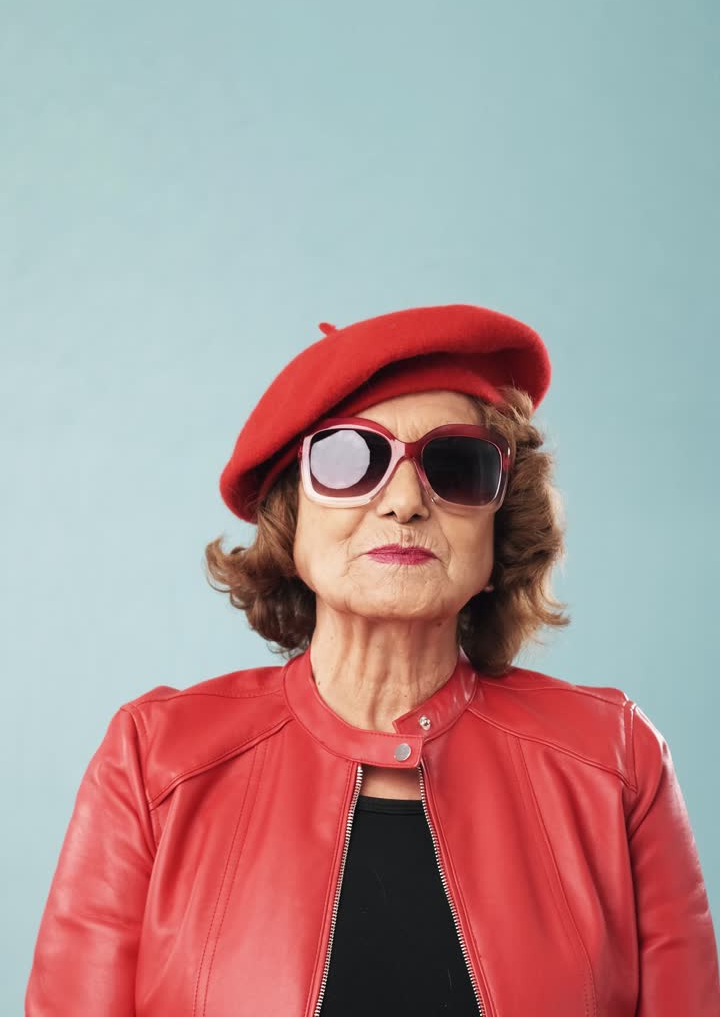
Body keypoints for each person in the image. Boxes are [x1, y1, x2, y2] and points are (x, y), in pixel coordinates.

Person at [25, 303, 720, 1015]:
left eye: (456, 466)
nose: (405, 501)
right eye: (349, 458)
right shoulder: (152, 760)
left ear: (500, 524)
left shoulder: (618, 760)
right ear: (290, 514)